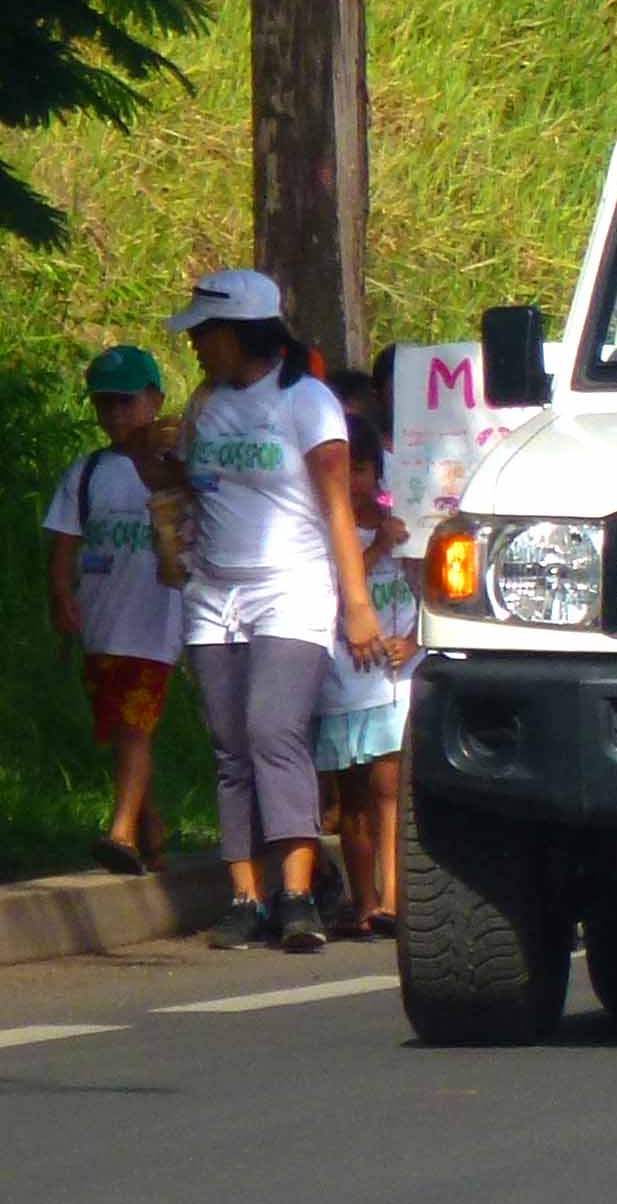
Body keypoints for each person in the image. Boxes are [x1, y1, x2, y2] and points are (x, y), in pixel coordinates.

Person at [168, 269, 380, 953]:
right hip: (213, 593)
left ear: (241, 333)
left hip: (292, 586)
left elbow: (338, 507)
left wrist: (357, 605)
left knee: (272, 732)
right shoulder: (205, 404)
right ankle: (246, 896)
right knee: (230, 746)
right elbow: (189, 487)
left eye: (206, 332)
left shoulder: (306, 402)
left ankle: (296, 892)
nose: (196, 345)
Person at [44, 345, 180, 876]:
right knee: (118, 726)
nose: (117, 416)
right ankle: (149, 827)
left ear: (155, 401)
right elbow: (64, 541)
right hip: (102, 623)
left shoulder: (175, 472)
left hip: (155, 624)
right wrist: (61, 594)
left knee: (134, 725)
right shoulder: (89, 472)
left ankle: (119, 831)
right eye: (105, 405)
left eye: (127, 402)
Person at [318, 424, 415, 940]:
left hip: (395, 678)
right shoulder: (324, 532)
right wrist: (376, 549)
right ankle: (363, 901)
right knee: (353, 798)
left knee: (389, 788)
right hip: (342, 676)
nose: (353, 480)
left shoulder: (405, 527)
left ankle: (394, 898)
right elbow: (332, 590)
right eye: (346, 468)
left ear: (377, 472)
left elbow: (435, 589)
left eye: (361, 468)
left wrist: (415, 642)